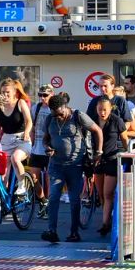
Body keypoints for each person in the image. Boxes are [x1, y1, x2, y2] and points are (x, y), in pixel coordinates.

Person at [42, 95, 103, 243]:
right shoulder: (51, 118)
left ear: (65, 107)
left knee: (75, 200)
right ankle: (52, 231)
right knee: (54, 196)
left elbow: (97, 130)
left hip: (75, 165)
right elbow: (45, 138)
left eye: (60, 114)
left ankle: (74, 232)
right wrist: (47, 147)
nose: (58, 117)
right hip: (56, 164)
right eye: (55, 114)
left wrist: (98, 152)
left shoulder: (78, 116)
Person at [91, 95, 129, 236]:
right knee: (100, 194)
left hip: (112, 158)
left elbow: (125, 138)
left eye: (105, 110)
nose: (102, 112)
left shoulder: (116, 120)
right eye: (100, 109)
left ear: (110, 109)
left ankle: (105, 224)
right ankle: (107, 216)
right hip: (98, 160)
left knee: (108, 193)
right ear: (96, 109)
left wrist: (128, 153)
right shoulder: (93, 122)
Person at [0, 78, 33, 196]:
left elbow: (29, 121)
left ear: (14, 92)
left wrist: (27, 132)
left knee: (15, 158)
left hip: (21, 139)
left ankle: (22, 185)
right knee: (2, 169)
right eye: (2, 92)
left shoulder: (20, 103)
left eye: (7, 92)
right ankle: (3, 196)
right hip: (6, 139)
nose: (5, 95)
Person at [29, 84, 54, 219]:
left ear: (51, 95)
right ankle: (43, 200)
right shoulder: (36, 108)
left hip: (49, 149)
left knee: (50, 178)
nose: (42, 98)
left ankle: (49, 204)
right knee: (34, 178)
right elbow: (32, 127)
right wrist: (30, 144)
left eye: (45, 95)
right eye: (40, 95)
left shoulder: (54, 109)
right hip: (37, 148)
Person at [86, 74, 135, 139]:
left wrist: (118, 133)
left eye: (105, 86)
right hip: (98, 140)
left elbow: (127, 121)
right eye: (100, 86)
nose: (102, 89)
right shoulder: (94, 101)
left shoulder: (120, 100)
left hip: (117, 142)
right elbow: (88, 120)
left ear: (112, 86)